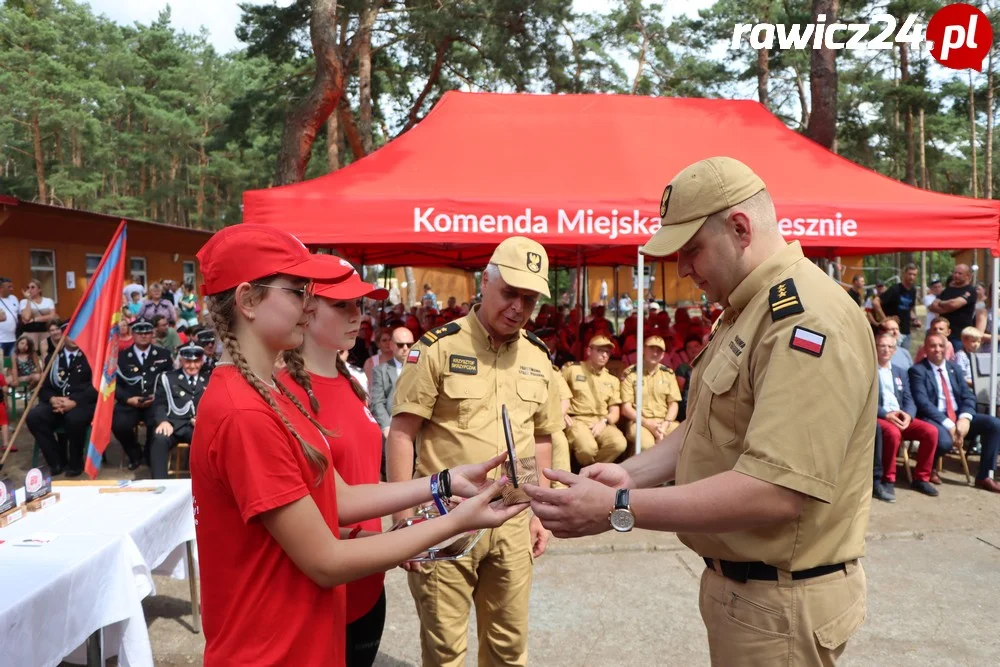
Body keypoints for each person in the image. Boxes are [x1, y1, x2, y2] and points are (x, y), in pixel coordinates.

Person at [525, 157, 875, 666]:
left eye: (692, 250)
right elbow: (708, 425)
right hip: (749, 591)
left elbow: (776, 490)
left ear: (739, 228)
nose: (683, 269)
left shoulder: (805, 319)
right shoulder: (747, 309)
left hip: (780, 601)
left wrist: (619, 508)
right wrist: (632, 472)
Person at [190, 224, 525, 667]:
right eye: (296, 292)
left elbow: (338, 495)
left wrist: (444, 483)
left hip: (297, 640)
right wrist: (455, 522)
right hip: (269, 650)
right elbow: (325, 560)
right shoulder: (246, 412)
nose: (309, 307)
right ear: (248, 300)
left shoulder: (268, 393)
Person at [386, 236, 563, 667]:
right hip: (446, 520)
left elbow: (543, 437)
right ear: (485, 281)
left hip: (512, 518)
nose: (519, 308)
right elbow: (402, 433)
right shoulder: (437, 348)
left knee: (509, 646)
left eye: (530, 298)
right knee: (445, 649)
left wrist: (542, 511)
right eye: (510, 293)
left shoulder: (539, 357)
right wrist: (404, 521)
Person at [278, 263, 392, 667]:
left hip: (369, 583)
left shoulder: (351, 382)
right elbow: (301, 513)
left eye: (358, 304)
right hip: (323, 589)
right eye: (342, 305)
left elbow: (364, 475)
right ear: (305, 311)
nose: (356, 314)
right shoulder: (283, 396)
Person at [908, 332, 1000, 493]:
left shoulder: (954, 369)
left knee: (994, 424)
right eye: (933, 346)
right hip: (934, 417)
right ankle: (928, 468)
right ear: (925, 348)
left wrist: (965, 418)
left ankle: (984, 475)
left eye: (941, 346)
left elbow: (968, 397)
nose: (937, 349)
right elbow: (923, 403)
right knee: (944, 442)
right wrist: (950, 424)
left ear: (947, 348)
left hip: (958, 416)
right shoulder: (917, 371)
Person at [873, 331, 938, 500]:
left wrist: (908, 415)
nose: (886, 350)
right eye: (882, 346)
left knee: (931, 431)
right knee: (893, 434)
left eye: (890, 347)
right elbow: (867, 400)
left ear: (895, 350)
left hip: (901, 416)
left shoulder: (901, 372)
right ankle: (888, 479)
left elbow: (909, 398)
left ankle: (921, 478)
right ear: (875, 347)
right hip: (881, 417)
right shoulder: (869, 370)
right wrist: (886, 414)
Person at [25, 329, 97, 476]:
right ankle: (56, 461)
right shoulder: (53, 358)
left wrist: (74, 401)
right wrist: (52, 399)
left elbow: (96, 387)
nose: (75, 338)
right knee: (34, 417)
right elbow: (44, 387)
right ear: (63, 337)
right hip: (56, 403)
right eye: (71, 334)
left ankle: (76, 462)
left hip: (81, 403)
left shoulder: (91, 357)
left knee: (74, 419)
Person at [112, 319, 172, 470]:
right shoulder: (121, 357)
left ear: (152, 334)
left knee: (157, 424)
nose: (144, 336)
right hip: (130, 402)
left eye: (147, 332)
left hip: (155, 401)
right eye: (140, 332)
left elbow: (170, 380)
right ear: (133, 334)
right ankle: (134, 454)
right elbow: (114, 384)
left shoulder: (163, 354)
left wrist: (157, 397)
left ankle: (149, 454)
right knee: (119, 425)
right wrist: (127, 399)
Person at [563, 335, 628, 466]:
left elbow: (614, 411)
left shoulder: (612, 380)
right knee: (587, 448)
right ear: (588, 351)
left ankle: (589, 473)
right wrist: (562, 413)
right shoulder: (572, 370)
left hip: (601, 421)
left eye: (607, 352)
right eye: (600, 351)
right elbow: (555, 391)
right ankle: (590, 473)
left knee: (619, 443)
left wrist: (604, 422)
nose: (604, 355)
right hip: (577, 420)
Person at [148, 343, 207, 479]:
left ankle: (204, 483)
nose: (192, 366)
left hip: (198, 427)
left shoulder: (209, 378)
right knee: (159, 439)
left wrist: (204, 420)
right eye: (188, 361)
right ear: (181, 360)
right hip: (173, 424)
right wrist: (162, 421)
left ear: (202, 361)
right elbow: (159, 403)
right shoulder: (168, 378)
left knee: (207, 441)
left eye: (196, 361)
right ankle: (159, 482)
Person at [620, 335, 682, 451]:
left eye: (658, 351)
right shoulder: (631, 373)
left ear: (663, 355)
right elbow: (626, 408)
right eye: (651, 349)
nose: (655, 353)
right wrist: (647, 423)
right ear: (644, 350)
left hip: (665, 422)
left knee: (683, 440)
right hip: (640, 422)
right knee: (646, 446)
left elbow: (673, 403)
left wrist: (665, 425)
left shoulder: (668, 374)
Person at [371, 326, 414, 438]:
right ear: (391, 345)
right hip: (392, 428)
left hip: (418, 429)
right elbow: (377, 402)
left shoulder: (422, 368)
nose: (405, 348)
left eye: (409, 345)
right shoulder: (380, 370)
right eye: (400, 345)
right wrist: (386, 427)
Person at [879, 264, 920, 352]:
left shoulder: (913, 290)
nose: (912, 277)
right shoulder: (895, 289)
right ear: (904, 274)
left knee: (904, 357)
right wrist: (885, 319)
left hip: (906, 331)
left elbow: (910, 309)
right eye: (910, 274)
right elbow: (876, 302)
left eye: (914, 274)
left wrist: (915, 319)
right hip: (892, 331)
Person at [19, 280, 58, 356]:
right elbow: (26, 317)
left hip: (46, 332)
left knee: (47, 354)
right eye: (28, 287)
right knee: (32, 355)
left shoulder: (48, 301)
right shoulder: (24, 302)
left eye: (33, 287)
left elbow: (52, 316)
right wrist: (29, 300)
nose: (29, 289)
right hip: (30, 334)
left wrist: (35, 319)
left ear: (39, 289)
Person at [0, 276, 20, 357]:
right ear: (1, 288)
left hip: (12, 339)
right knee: (0, 364)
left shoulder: (14, 298)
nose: (11, 289)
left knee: (9, 363)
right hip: (0, 340)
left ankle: (8, 370)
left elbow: (20, 314)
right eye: (9, 287)